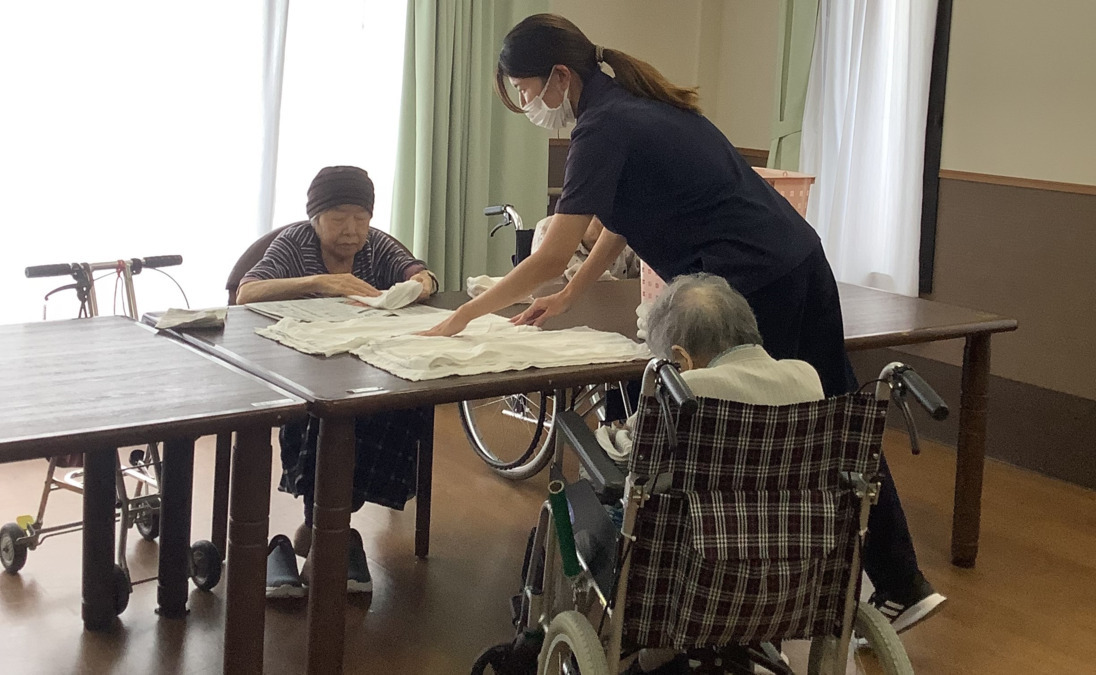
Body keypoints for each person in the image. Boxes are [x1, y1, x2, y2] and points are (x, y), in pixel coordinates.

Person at [421, 14, 944, 634]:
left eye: (526, 90)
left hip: (754, 281)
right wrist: (570, 294)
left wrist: (462, 315)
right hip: (799, 260)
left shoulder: (603, 126)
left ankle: (742, 593)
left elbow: (553, 253)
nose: (529, 104)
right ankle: (901, 581)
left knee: (760, 429)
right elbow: (620, 220)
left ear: (559, 76)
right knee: (836, 416)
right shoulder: (636, 106)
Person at [239, 165, 438, 598]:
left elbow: (418, 272)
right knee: (323, 415)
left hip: (368, 365)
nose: (352, 230)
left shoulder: (376, 245)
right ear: (315, 219)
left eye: (361, 218)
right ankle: (333, 537)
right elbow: (246, 292)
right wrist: (321, 282)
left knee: (391, 408)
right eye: (338, 219)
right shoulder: (295, 243)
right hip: (303, 368)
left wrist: (422, 283)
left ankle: (321, 532)